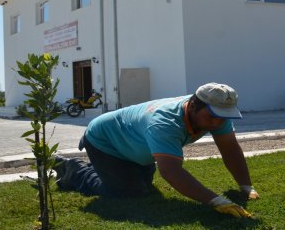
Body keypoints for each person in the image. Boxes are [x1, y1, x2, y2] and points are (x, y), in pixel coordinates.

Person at [54, 83, 258, 218]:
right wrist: (217, 201)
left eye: (224, 116)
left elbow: (230, 149)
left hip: (134, 146)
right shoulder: (165, 122)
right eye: (213, 116)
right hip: (106, 141)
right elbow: (171, 172)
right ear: (194, 105)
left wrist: (246, 187)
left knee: (144, 187)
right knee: (129, 192)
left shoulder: (215, 115)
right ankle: (73, 169)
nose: (218, 122)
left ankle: (109, 169)